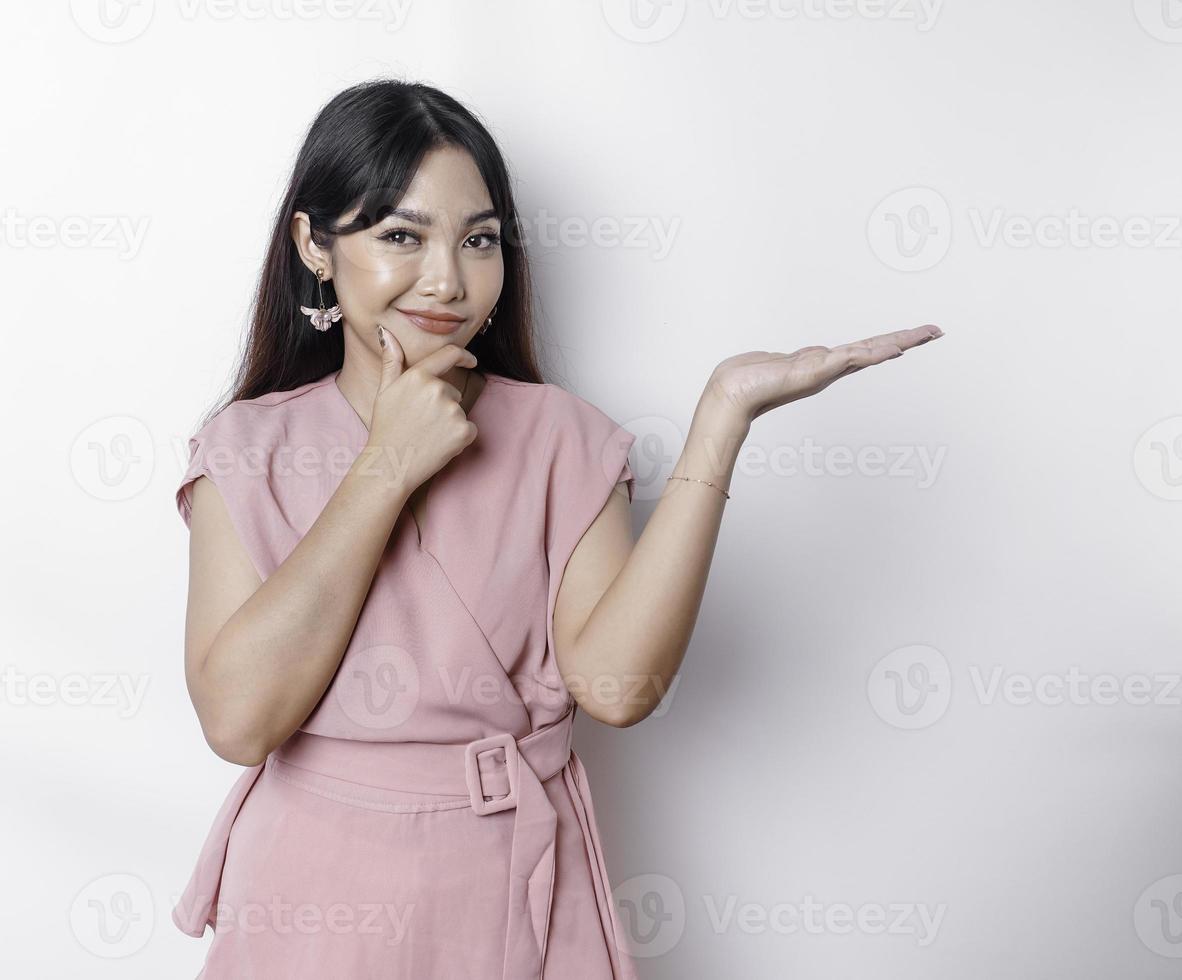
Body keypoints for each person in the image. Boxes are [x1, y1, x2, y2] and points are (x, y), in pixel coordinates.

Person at [171, 78, 944, 980]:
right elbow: (236, 721)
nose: (447, 279)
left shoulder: (560, 438)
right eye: (400, 236)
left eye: (479, 240)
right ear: (315, 244)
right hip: (312, 901)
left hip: (510, 885)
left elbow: (616, 688)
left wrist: (722, 420)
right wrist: (386, 467)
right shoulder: (248, 448)